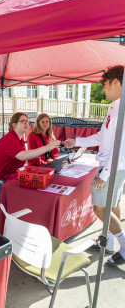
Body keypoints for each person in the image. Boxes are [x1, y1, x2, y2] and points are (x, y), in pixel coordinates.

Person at [63, 65, 125, 266]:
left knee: (100, 209)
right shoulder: (115, 106)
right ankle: (107, 244)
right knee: (112, 205)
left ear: (116, 82)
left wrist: (104, 174)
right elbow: (103, 136)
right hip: (113, 166)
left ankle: (124, 246)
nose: (104, 89)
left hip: (113, 166)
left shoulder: (122, 109)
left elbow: (121, 148)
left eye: (105, 85)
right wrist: (78, 142)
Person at [0, 112, 60, 194]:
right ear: (14, 125)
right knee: (30, 192)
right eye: (23, 121)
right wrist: (47, 147)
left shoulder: (19, 139)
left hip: (11, 177)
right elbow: (23, 156)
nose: (26, 123)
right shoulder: (9, 139)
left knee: (39, 186)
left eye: (27, 121)